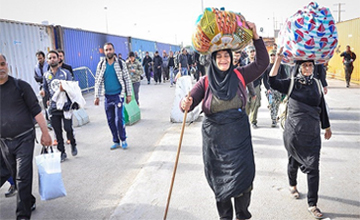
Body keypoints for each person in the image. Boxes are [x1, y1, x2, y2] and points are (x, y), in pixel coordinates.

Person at [181, 22, 269, 220]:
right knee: (221, 183)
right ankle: (225, 217)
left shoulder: (240, 75)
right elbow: (190, 100)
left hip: (239, 140)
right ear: (213, 59)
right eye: (219, 56)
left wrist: (256, 37)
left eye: (226, 55)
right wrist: (185, 103)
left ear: (231, 58)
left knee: (244, 181)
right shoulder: (205, 81)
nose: (223, 59)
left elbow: (263, 63)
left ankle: (242, 215)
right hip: (216, 144)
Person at [269, 48, 332, 219]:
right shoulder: (291, 83)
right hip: (294, 133)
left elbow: (322, 108)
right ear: (298, 67)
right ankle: (293, 184)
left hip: (312, 133)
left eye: (310, 66)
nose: (308, 69)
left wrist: (326, 127)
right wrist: (277, 60)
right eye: (304, 66)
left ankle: (312, 204)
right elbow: (272, 81)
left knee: (313, 168)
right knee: (293, 161)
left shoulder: (317, 84)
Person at [0, 53, 52, 220]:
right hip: (4, 142)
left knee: (23, 176)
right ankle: (28, 201)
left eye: (2, 64)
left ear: (7, 64)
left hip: (25, 138)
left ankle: (22, 216)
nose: (0, 68)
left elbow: (36, 111)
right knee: (16, 176)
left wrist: (45, 133)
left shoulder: (20, 86)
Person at [41, 50, 78, 162]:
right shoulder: (46, 75)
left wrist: (65, 88)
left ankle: (73, 143)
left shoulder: (65, 73)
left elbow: (72, 88)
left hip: (66, 106)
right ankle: (62, 152)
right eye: (50, 58)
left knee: (67, 128)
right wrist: (43, 92)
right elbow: (45, 88)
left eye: (54, 57)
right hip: (53, 107)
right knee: (57, 131)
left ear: (58, 59)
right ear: (47, 61)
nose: (52, 59)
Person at [94, 42, 132, 150]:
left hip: (118, 96)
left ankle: (123, 139)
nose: (108, 51)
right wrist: (96, 96)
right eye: (106, 50)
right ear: (104, 52)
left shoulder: (120, 63)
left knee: (119, 119)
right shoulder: (101, 64)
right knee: (110, 120)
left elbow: (127, 79)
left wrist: (128, 94)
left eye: (110, 49)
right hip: (107, 96)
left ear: (113, 50)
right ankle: (116, 140)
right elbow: (97, 80)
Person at [262, 49, 288, 127]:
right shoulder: (266, 67)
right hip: (270, 89)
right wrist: (268, 88)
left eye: (274, 55)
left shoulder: (280, 66)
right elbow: (264, 79)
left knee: (277, 104)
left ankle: (275, 115)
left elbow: (284, 77)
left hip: (278, 88)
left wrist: (284, 88)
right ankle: (273, 119)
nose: (273, 57)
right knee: (272, 103)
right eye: (271, 56)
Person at [244, 45, 264, 128]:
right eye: (250, 51)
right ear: (247, 53)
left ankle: (253, 121)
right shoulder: (244, 62)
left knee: (256, 103)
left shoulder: (258, 62)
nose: (252, 53)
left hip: (256, 84)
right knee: (246, 104)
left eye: (253, 51)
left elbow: (262, 73)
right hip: (245, 85)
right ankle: (245, 120)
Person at [233, 50, 257, 116]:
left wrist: (253, 93)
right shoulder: (226, 65)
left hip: (239, 92)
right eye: (234, 55)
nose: (236, 57)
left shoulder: (243, 65)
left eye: (237, 56)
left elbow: (248, 80)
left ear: (240, 56)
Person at [34, 51, 51, 124]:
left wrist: (43, 78)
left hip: (50, 85)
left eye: (41, 58)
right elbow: (36, 78)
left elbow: (50, 75)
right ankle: (48, 119)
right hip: (42, 87)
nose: (39, 60)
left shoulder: (48, 65)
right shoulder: (36, 67)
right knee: (45, 103)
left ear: (44, 57)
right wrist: (43, 78)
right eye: (38, 59)